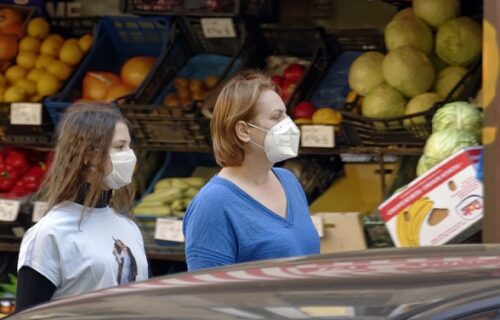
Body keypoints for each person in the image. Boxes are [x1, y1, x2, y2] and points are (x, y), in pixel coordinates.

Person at [16, 103, 148, 312]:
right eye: (119, 147)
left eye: (129, 146)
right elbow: (26, 314)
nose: (129, 155)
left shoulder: (129, 228)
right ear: (89, 155)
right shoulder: (51, 232)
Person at [183, 70, 320, 272]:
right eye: (276, 117)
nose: (289, 125)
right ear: (243, 131)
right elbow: (209, 294)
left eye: (286, 114)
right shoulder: (212, 204)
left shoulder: (287, 181)